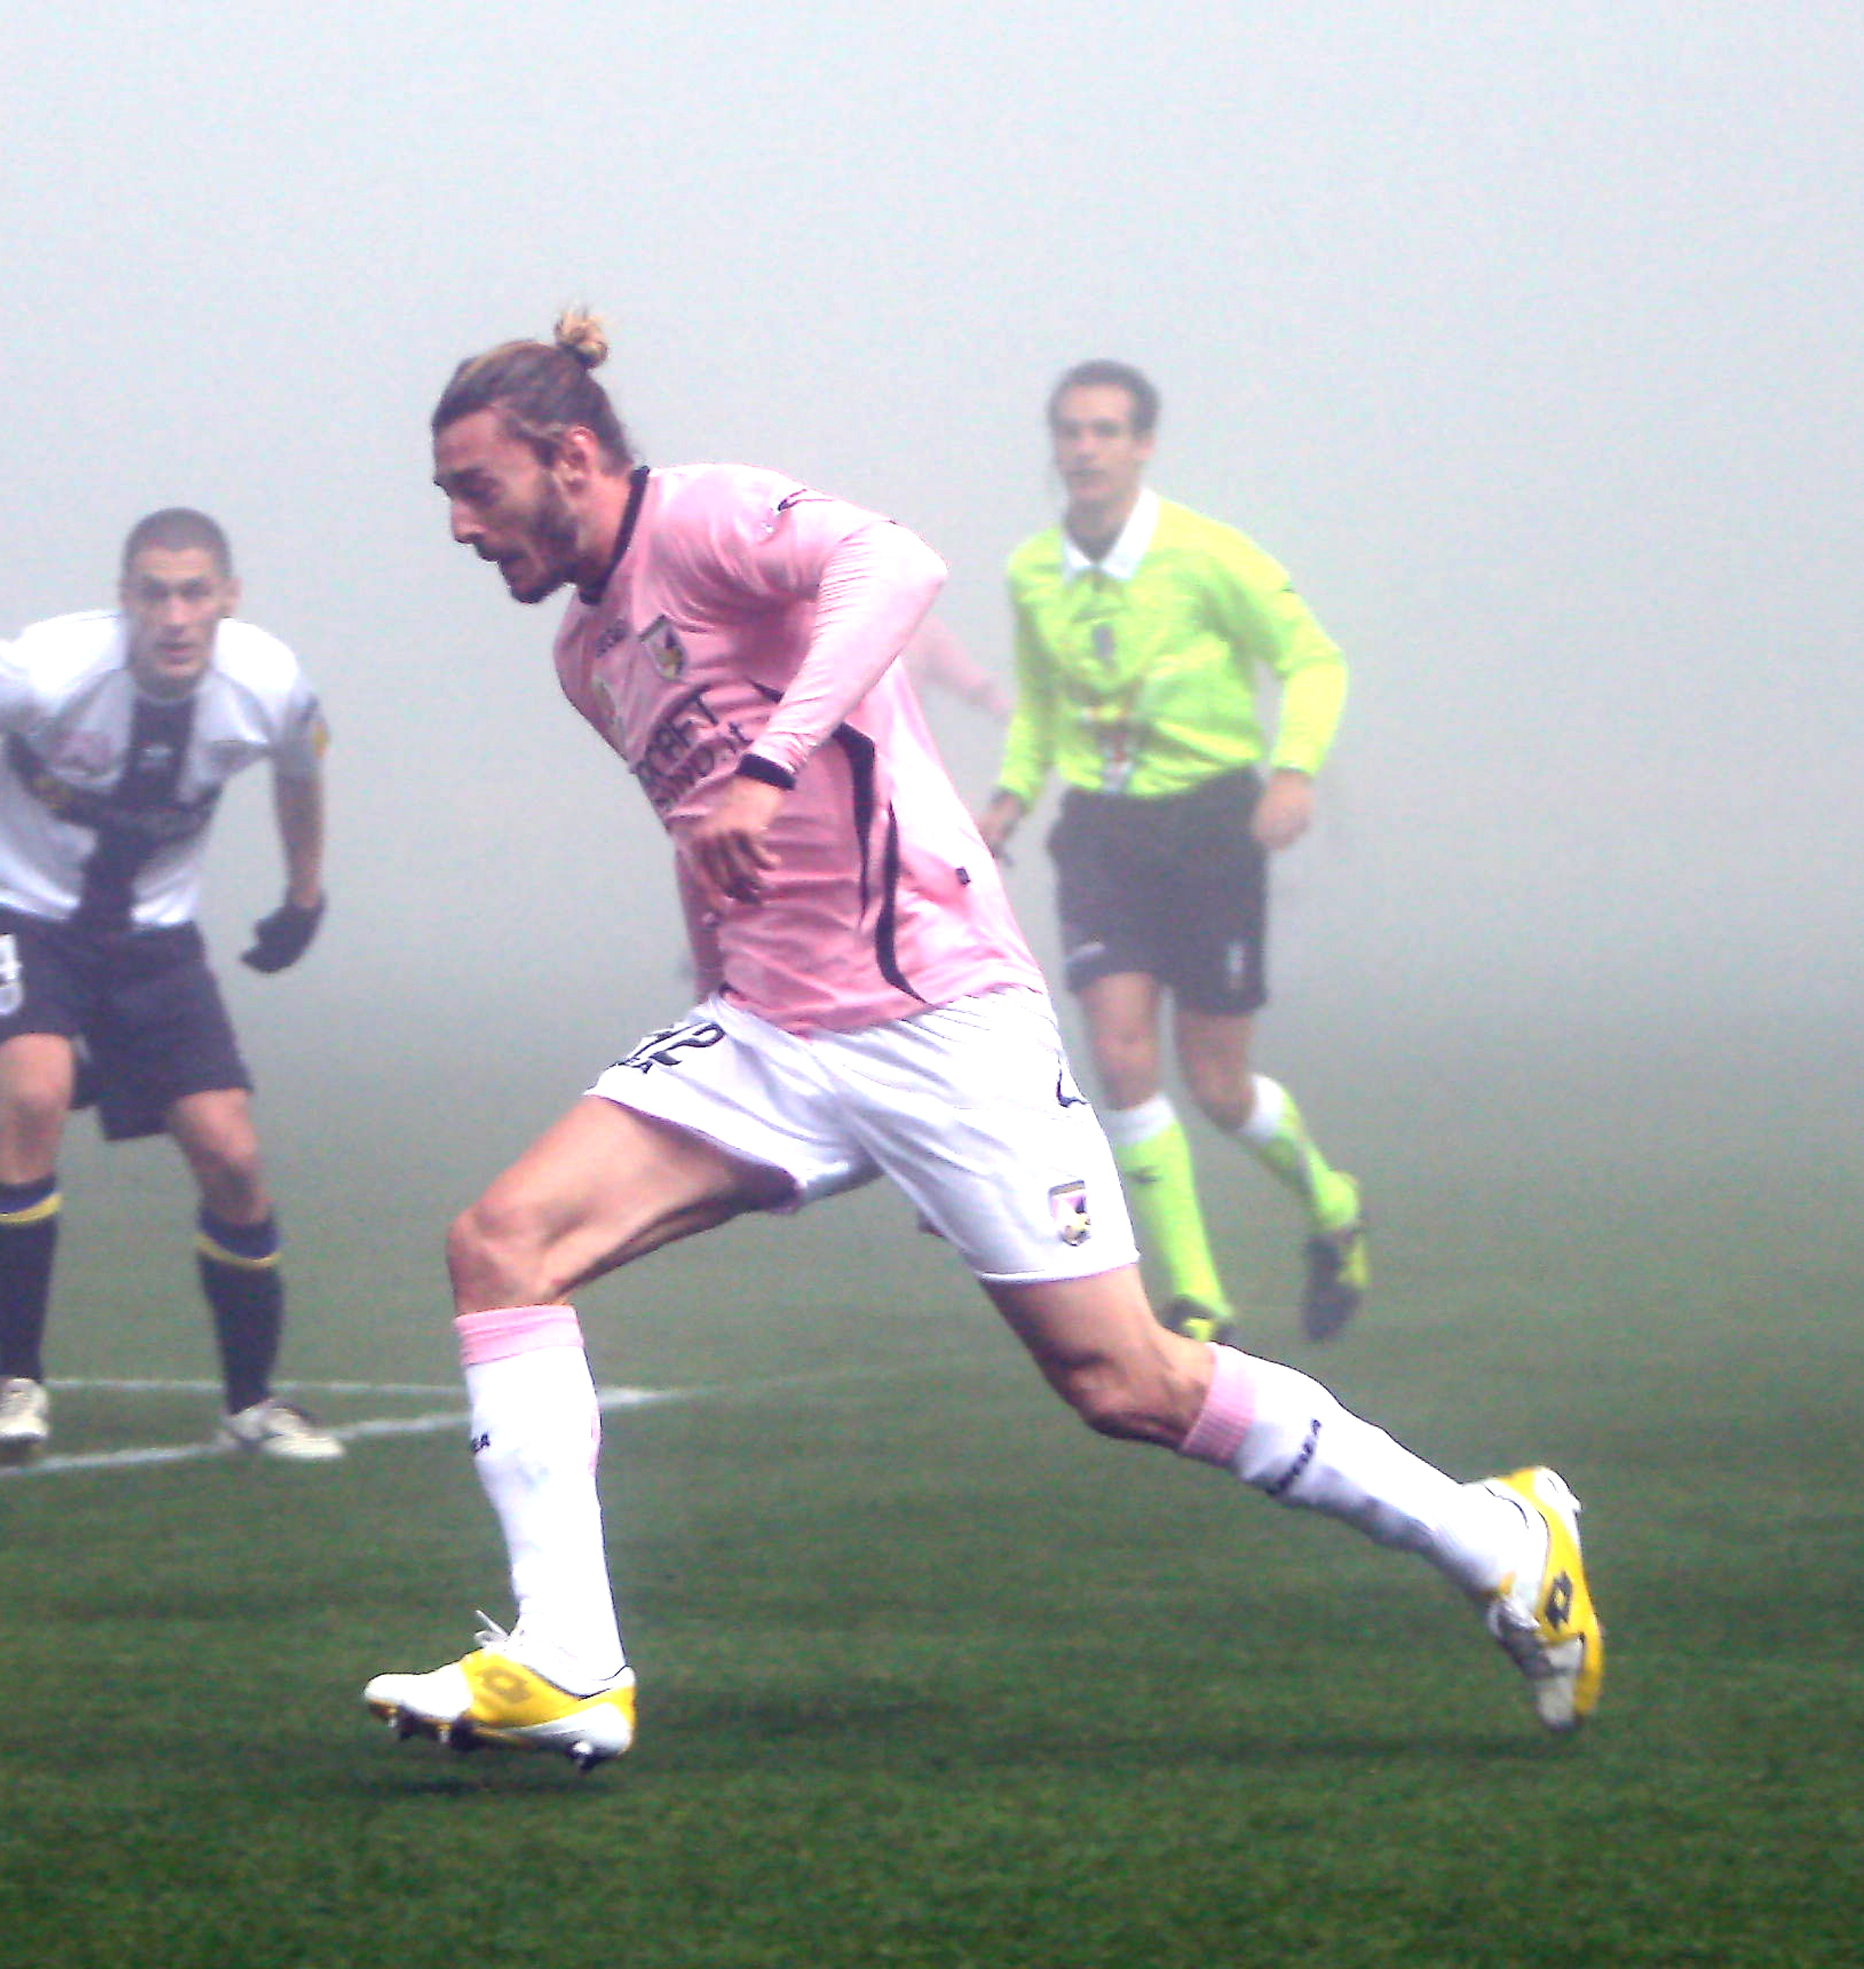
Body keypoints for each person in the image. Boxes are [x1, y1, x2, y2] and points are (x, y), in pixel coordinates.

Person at [361, 314, 1598, 1770]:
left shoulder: (702, 517)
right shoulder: (588, 653)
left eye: (477, 488)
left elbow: (898, 567)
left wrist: (768, 764)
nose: (459, 525)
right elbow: (708, 835)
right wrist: (716, 953)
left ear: (571, 456)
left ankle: (1497, 1540)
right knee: (502, 1242)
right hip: (769, 1032)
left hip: (937, 1015)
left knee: (1126, 1381)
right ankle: (569, 1657)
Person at [0, 509, 343, 1465]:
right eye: (153, 593)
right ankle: (16, 1386)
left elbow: (299, 771)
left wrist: (304, 896)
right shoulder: (43, 670)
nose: (173, 616)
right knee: (35, 1093)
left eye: (194, 593)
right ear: (123, 598)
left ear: (228, 597)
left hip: (154, 939)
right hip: (20, 911)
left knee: (231, 1154)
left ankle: (251, 1404)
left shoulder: (270, 684)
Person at [977, 362, 1367, 1345]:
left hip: (1210, 827)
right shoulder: (1032, 571)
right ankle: (1198, 1301)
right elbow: (1039, 704)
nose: (1085, 449)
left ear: (1143, 445)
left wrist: (1293, 772)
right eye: (1070, 430)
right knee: (1117, 1054)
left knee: (1218, 1085)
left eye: (1106, 430)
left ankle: (1331, 1204)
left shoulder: (1206, 555)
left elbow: (1313, 659)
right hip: (1101, 835)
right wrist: (1010, 798)